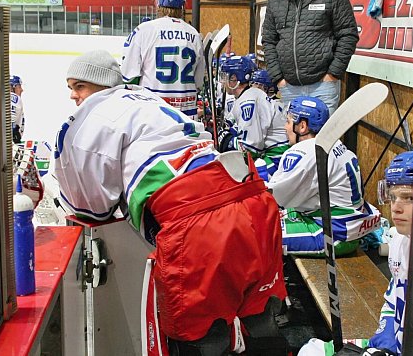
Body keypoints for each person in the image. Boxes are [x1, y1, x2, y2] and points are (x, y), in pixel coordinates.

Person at [53, 50, 288, 355]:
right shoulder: (148, 99)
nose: (73, 95)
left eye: (79, 86)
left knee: (202, 341)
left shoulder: (88, 121)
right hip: (253, 201)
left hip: (197, 225)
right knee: (262, 325)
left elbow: (91, 210)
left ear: (99, 86)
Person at [297, 151, 413, 356]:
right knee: (311, 351)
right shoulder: (398, 239)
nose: (396, 208)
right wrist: (383, 343)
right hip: (392, 347)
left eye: (408, 198)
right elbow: (393, 298)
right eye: (393, 196)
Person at [267, 96, 381, 256]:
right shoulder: (336, 144)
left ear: (302, 126)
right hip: (347, 227)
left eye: (288, 121)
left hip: (332, 232)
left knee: (260, 236)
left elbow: (277, 198)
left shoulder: (305, 151)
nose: (285, 127)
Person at [262, 0, 359, 117]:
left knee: (322, 140)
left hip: (324, 86)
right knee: (293, 140)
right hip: (289, 88)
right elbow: (269, 40)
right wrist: (278, 78)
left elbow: (348, 34)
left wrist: (333, 74)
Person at [121, 0, 205, 119]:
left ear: (157, 2)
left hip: (153, 115)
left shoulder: (143, 30)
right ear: (183, 5)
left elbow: (128, 76)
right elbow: (198, 83)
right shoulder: (194, 34)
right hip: (186, 116)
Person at [217, 55, 289, 181]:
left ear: (234, 78)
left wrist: (228, 140)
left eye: (226, 76)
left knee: (238, 178)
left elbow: (250, 149)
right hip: (271, 153)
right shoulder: (247, 96)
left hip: (277, 158)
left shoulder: (248, 101)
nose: (223, 81)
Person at [9, 75, 25, 144]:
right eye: (19, 86)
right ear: (12, 87)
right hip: (4, 143)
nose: (22, 90)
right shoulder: (13, 97)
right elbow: (9, 120)